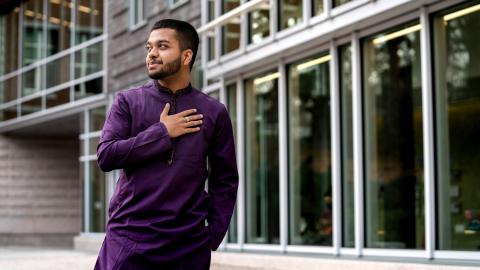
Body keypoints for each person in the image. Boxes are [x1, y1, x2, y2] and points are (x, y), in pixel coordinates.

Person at [94, 19, 239, 270]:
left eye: (162, 46)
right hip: (129, 240)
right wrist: (162, 133)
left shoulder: (214, 112)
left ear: (186, 56)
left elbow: (225, 179)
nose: (152, 53)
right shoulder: (127, 102)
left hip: (188, 247)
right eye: (149, 47)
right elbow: (106, 156)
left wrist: (212, 235)